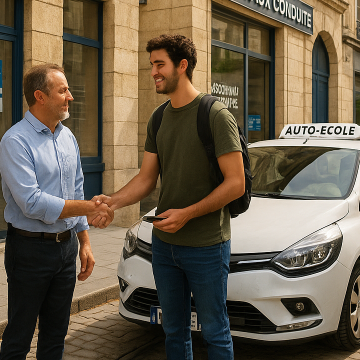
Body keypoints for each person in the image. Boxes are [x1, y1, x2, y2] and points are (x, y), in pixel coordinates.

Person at [92, 35, 245, 360]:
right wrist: (113, 202)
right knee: (173, 331)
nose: (154, 72)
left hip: (206, 246)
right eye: (152, 65)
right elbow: (147, 178)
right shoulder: (159, 118)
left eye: (160, 64)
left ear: (182, 65)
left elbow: (236, 183)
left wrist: (187, 213)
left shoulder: (215, 115)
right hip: (164, 247)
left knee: (215, 332)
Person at [0, 64, 113, 360]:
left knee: (56, 336)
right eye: (63, 91)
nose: (70, 97)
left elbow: (75, 190)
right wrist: (90, 208)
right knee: (18, 339)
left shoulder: (67, 137)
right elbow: (32, 202)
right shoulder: (15, 141)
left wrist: (84, 242)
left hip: (65, 251)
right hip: (29, 250)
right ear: (40, 97)